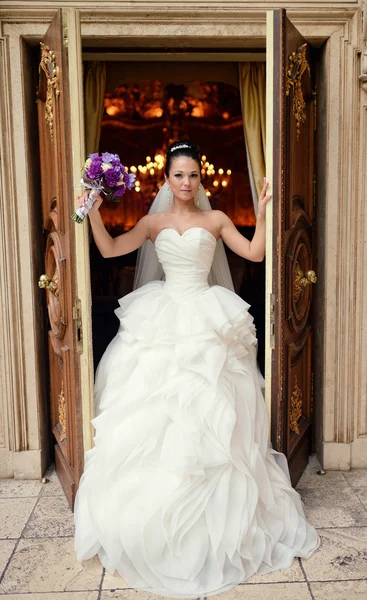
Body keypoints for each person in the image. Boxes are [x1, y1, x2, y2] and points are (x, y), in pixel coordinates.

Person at [74, 141, 319, 598]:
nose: (185, 183)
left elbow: (254, 254)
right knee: (156, 415)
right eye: (177, 176)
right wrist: (91, 209)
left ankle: (217, 517)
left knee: (216, 414)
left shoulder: (216, 219)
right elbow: (108, 250)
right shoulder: (152, 223)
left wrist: (263, 210)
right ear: (164, 180)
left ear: (200, 178)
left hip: (207, 318)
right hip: (162, 316)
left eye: (192, 175)